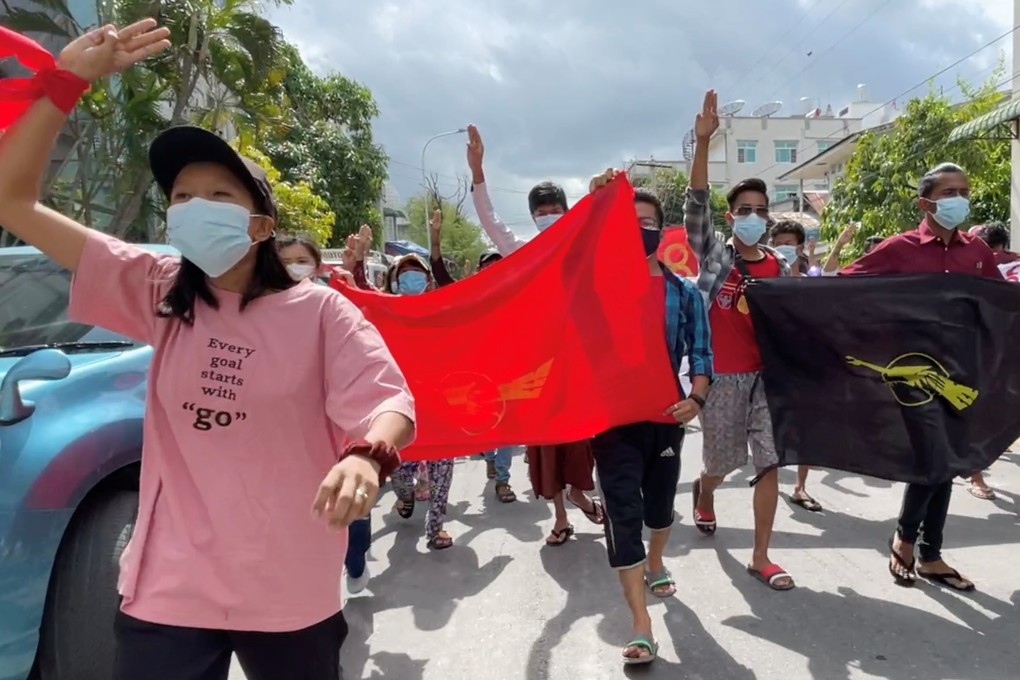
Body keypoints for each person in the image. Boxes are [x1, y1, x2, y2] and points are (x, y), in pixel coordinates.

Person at [0, 21, 416, 680]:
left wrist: (367, 457)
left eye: (218, 195)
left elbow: (390, 400)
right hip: (170, 583)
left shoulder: (319, 311)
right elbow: (13, 201)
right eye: (182, 196)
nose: (194, 207)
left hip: (287, 586)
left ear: (259, 224)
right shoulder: (155, 290)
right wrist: (65, 81)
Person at [841, 161, 1000, 591]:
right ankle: (909, 541)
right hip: (912, 371)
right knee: (934, 456)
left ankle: (930, 553)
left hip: (962, 371)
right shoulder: (899, 248)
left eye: (964, 191)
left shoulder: (977, 252)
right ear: (925, 201)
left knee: (945, 461)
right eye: (950, 192)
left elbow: (1001, 305)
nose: (959, 200)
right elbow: (844, 286)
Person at [586, 178, 713, 664]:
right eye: (627, 223)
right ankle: (641, 623)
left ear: (662, 231)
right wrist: (599, 203)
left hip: (665, 418)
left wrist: (697, 399)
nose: (638, 230)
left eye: (647, 222)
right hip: (611, 421)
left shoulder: (683, 293)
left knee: (659, 510)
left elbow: (700, 353)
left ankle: (656, 558)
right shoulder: (596, 288)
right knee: (622, 512)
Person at [466, 123, 604, 543]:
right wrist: (477, 171)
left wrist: (600, 191)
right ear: (531, 217)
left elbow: (604, 219)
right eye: (540, 212)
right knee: (543, 447)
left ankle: (581, 494)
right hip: (537, 364)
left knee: (580, 439)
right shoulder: (523, 250)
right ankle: (560, 517)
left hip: (578, 361)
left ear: (566, 210)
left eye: (553, 209)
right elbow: (489, 220)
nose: (547, 217)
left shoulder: (583, 245)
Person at [685, 90, 795, 591]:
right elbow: (695, 209)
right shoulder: (715, 258)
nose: (753, 215)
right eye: (743, 209)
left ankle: (761, 555)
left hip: (767, 382)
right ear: (731, 218)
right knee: (722, 463)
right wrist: (704, 143)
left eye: (760, 209)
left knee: (769, 461)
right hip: (722, 380)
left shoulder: (783, 265)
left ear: (768, 217)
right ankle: (704, 491)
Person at [385, 254, 458, 549]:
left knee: (442, 475)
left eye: (417, 274)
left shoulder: (441, 312)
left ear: (427, 281)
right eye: (405, 274)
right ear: (396, 281)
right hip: (403, 410)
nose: (411, 279)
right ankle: (405, 496)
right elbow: (360, 306)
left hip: (439, 409)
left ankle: (435, 528)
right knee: (400, 474)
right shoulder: (387, 311)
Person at [768, 220, 823, 513]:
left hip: (803, 367)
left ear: (800, 248)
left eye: (790, 244)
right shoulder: (764, 282)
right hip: (770, 368)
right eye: (780, 243)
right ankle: (768, 480)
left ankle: (799, 487)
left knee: (805, 429)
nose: (785, 249)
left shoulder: (810, 282)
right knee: (773, 430)